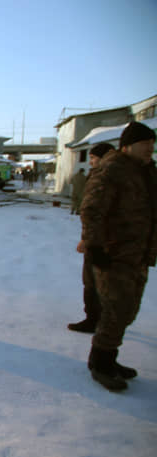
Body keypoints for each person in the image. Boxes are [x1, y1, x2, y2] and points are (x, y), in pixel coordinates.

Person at [79, 122, 157, 392]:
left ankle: (108, 358)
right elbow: (91, 210)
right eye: (145, 145)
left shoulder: (146, 172)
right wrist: (95, 247)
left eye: (152, 145)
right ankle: (101, 362)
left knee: (127, 310)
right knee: (116, 309)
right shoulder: (113, 169)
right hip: (114, 254)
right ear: (127, 146)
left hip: (138, 254)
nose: (150, 150)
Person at [68, 142, 114, 333]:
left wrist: (87, 239)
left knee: (94, 282)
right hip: (106, 238)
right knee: (99, 282)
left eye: (94, 158)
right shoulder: (103, 175)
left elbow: (94, 212)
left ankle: (94, 319)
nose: (91, 162)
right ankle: (101, 318)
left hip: (101, 239)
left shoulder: (105, 177)